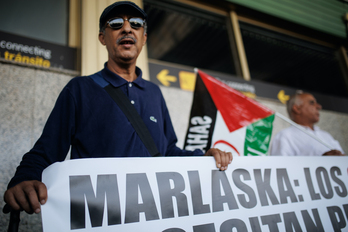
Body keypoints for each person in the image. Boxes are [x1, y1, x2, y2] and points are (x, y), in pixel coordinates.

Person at [4, 1, 232, 215]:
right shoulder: (79, 89)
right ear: (103, 38)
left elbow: (168, 151)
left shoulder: (155, 93)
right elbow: (45, 151)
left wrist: (203, 157)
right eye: (115, 24)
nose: (126, 29)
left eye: (135, 24)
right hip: (101, 218)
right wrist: (24, 179)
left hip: (154, 216)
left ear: (144, 37)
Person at [271, 91, 345, 156]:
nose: (319, 106)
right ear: (297, 109)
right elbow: (282, 168)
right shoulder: (285, 136)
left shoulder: (326, 135)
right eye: (312, 103)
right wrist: (322, 163)